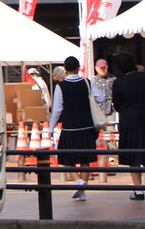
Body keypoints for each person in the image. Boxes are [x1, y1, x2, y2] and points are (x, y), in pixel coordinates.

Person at [49, 55, 107, 200]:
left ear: (66, 69)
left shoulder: (60, 87)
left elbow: (57, 110)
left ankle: (79, 182)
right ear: (77, 67)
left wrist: (51, 127)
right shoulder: (87, 82)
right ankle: (82, 190)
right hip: (87, 126)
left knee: (65, 157)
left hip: (69, 127)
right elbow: (101, 97)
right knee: (85, 159)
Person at [112, 52, 145, 201]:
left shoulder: (119, 83)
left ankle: (138, 190)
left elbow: (117, 105)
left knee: (133, 158)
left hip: (129, 123)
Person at [92, 57, 116, 124]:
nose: (102, 70)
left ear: (107, 67)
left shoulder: (113, 79)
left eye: (104, 68)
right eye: (100, 68)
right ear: (96, 68)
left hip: (111, 111)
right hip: (98, 112)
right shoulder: (93, 81)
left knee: (111, 130)